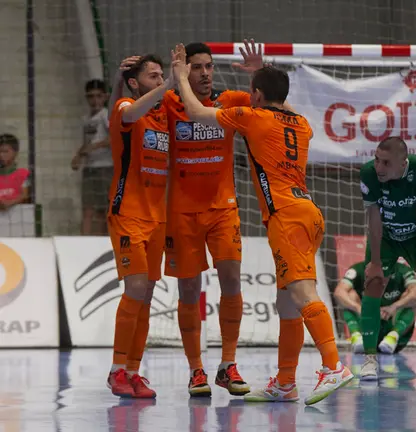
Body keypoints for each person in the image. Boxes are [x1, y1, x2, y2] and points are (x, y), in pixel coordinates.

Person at [171, 41, 353, 405]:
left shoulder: (251, 116)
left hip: (286, 217)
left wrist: (178, 73)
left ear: (255, 95)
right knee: (285, 304)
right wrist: (261, 72)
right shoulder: (300, 123)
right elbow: (279, 101)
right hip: (309, 214)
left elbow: (193, 110)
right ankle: (286, 382)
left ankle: (334, 366)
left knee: (301, 296)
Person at [162, 42, 254, 398]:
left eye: (208, 66)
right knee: (188, 290)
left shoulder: (230, 100)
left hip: (223, 208)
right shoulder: (171, 102)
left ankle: (227, 364)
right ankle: (195, 369)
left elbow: (279, 108)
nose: (204, 73)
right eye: (196, 67)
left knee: (231, 279)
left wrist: (255, 75)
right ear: (186, 72)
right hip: (181, 212)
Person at [106, 53, 174, 399]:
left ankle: (133, 371)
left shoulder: (163, 113)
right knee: (134, 289)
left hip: (157, 217)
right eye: (153, 75)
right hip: (128, 213)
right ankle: (117, 369)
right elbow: (129, 112)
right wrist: (169, 85)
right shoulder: (126, 107)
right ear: (135, 82)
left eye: (163, 74)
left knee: (146, 295)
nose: (160, 79)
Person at [357, 137, 416, 382]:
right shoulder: (369, 173)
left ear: (403, 163)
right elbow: (374, 218)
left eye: (386, 163)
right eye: (377, 159)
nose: (379, 167)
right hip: (387, 233)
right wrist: (375, 261)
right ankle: (369, 358)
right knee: (373, 284)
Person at [334, 260, 416, 354]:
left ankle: (393, 336)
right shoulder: (358, 269)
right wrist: (358, 308)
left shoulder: (403, 270)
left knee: (410, 298)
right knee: (348, 296)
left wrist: (394, 307)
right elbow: (339, 292)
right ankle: (357, 337)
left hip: (390, 321)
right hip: (366, 322)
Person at [72, 79, 111, 235]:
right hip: (90, 167)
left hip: (106, 166)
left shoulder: (106, 115)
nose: (95, 100)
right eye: (91, 97)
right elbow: (87, 141)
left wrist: (91, 148)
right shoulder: (86, 118)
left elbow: (114, 138)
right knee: (88, 208)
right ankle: (85, 242)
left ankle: (106, 242)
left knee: (105, 209)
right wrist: (78, 156)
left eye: (98, 96)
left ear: (105, 97)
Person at [0, 134, 30, 211]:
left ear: (16, 152)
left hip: (18, 216)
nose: (1, 155)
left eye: (5, 151)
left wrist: (10, 203)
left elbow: (25, 195)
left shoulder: (23, 173)